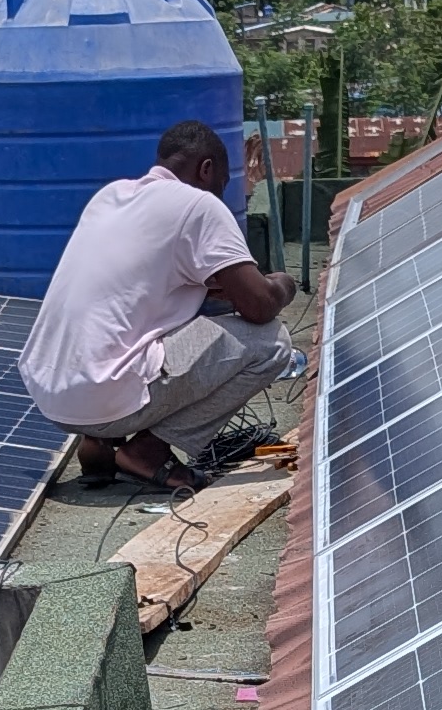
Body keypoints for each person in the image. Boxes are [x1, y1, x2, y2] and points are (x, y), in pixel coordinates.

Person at [18, 118, 296, 493]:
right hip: (104, 399)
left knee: (137, 327)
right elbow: (260, 306)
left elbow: (128, 285)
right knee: (271, 342)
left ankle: (99, 443)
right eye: (222, 184)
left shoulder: (111, 196)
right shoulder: (200, 205)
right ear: (206, 169)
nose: (220, 194)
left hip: (52, 395)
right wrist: (283, 284)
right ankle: (148, 451)